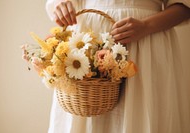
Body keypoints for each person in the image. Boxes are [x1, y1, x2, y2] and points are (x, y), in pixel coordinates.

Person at [45, 0, 190, 133]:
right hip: (88, 39)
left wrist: (146, 25)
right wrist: (61, 5)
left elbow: (184, 7)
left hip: (147, 42)